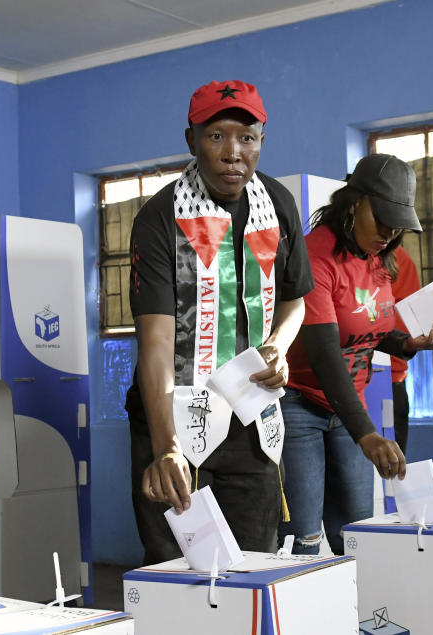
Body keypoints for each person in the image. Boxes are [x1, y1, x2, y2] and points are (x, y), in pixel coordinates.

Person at [126, 80, 313, 565]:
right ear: (191, 140)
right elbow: (157, 341)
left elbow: (296, 299)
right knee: (178, 567)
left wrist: (279, 346)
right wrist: (166, 446)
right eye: (216, 136)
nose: (234, 153)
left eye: (247, 137)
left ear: (262, 142)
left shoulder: (278, 203)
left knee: (253, 564)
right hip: (174, 417)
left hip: (252, 419)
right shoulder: (159, 217)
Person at [279, 154, 433, 555]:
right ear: (355, 203)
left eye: (397, 225)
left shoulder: (379, 258)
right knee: (305, 535)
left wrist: (408, 344)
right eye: (382, 219)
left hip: (347, 407)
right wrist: (368, 434)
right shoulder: (315, 256)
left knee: (355, 534)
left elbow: (369, 329)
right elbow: (324, 353)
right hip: (300, 404)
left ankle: (353, 615)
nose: (389, 233)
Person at [389, 245, 420, 453]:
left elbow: (409, 325)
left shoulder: (399, 259)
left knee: (390, 472)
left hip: (390, 379)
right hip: (346, 379)